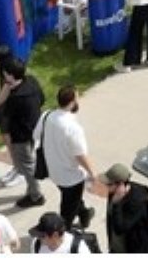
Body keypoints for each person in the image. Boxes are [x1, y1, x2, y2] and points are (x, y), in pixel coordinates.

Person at [35, 84, 97, 231]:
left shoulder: (46, 116)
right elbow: (80, 154)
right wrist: (92, 172)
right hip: (72, 177)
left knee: (71, 199)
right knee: (67, 211)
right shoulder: (73, 128)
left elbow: (36, 135)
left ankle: (84, 214)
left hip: (53, 171)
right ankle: (64, 231)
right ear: (73, 101)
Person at [0, 55, 45, 208]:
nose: (3, 75)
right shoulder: (31, 81)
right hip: (35, 129)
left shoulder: (14, 98)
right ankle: (32, 190)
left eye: (5, 73)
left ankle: (35, 196)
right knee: (29, 164)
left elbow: (1, 118)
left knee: (27, 168)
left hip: (22, 137)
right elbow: (42, 99)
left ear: (10, 75)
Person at [102, 162, 148, 254]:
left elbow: (120, 228)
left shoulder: (136, 201)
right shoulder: (113, 192)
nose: (106, 187)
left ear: (120, 185)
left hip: (133, 249)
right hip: (116, 247)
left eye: (109, 184)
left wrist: (116, 204)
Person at [29, 212, 95, 255]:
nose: (38, 238)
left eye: (42, 236)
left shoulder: (78, 249)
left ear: (55, 235)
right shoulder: (36, 244)